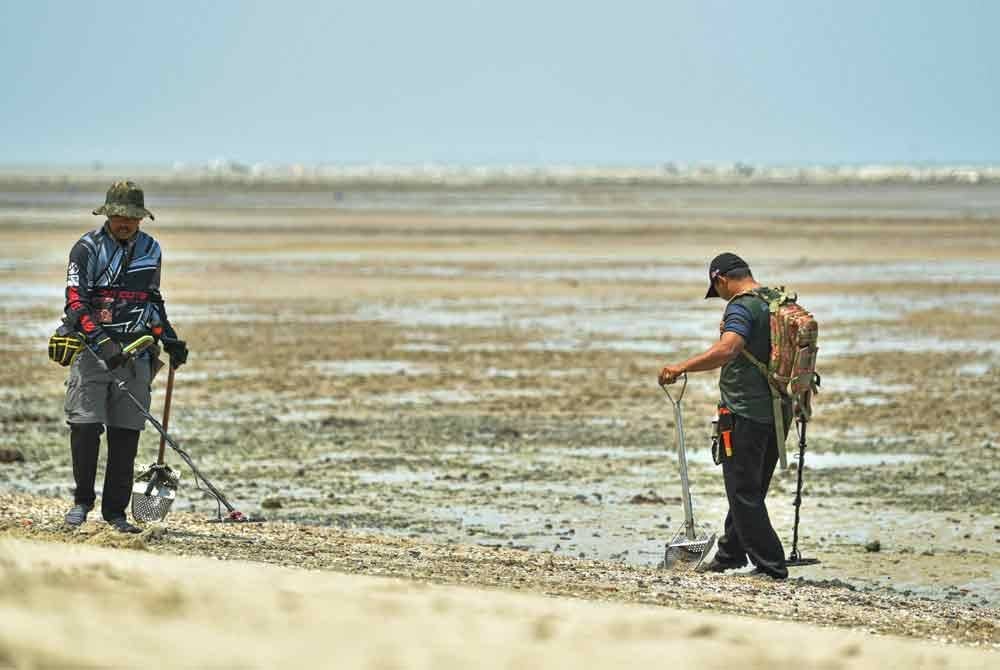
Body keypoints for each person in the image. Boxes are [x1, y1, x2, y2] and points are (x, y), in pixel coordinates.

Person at [62, 180, 188, 533]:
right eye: (119, 215)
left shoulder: (151, 249)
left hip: (137, 354)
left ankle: (115, 513)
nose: (125, 222)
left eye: (132, 217)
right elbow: (75, 302)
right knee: (85, 427)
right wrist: (104, 344)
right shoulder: (86, 248)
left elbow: (152, 298)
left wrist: (169, 337)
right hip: (92, 351)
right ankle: (82, 503)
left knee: (126, 433)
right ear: (108, 214)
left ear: (141, 219)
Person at [658, 252, 789, 580]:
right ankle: (730, 553)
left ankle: (771, 565)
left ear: (720, 279)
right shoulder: (774, 300)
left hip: (745, 411)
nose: (721, 297)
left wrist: (681, 367)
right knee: (750, 489)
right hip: (779, 410)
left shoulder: (741, 307)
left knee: (743, 491)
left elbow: (728, 349)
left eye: (717, 290)